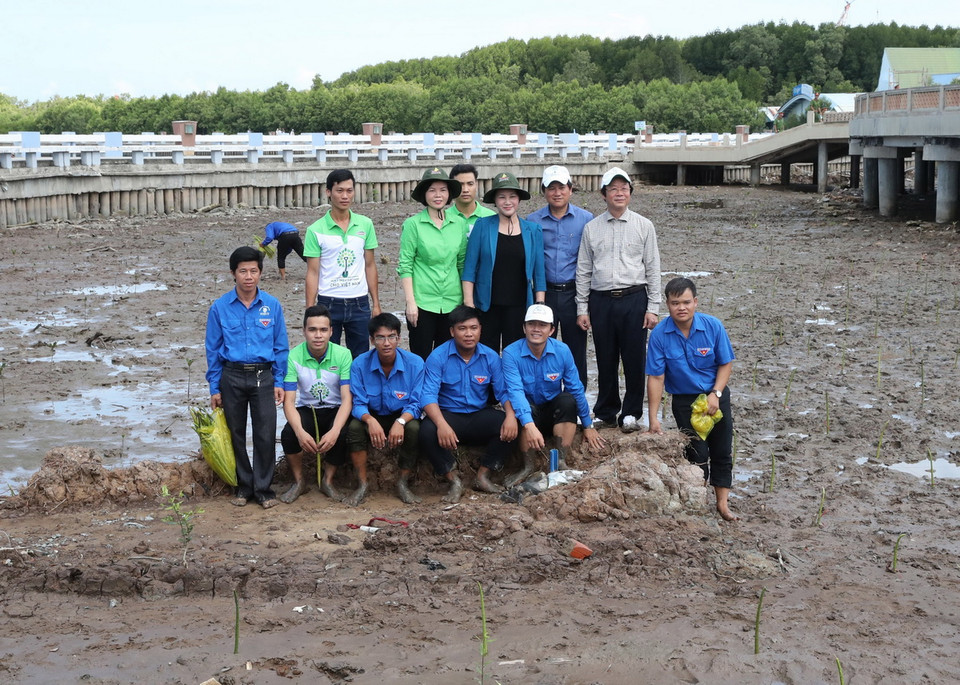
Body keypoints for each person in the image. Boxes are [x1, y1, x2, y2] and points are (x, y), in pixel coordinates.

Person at [576, 166, 661, 431]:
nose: (619, 193)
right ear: (604, 194)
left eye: (624, 189)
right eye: (613, 189)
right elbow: (584, 269)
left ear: (630, 194)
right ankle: (606, 410)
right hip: (600, 300)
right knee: (605, 357)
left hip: (635, 298)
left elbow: (653, 267)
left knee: (635, 358)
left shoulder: (644, 226)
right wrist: (582, 307)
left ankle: (631, 413)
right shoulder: (591, 228)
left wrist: (653, 307)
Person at [646, 278, 737, 521]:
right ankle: (699, 500)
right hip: (685, 401)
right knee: (696, 453)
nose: (681, 308)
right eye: (675, 303)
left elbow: (725, 363)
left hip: (715, 396)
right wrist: (653, 418)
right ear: (667, 305)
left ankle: (722, 503)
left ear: (695, 302)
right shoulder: (659, 335)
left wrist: (716, 394)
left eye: (686, 302)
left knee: (721, 451)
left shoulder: (713, 326)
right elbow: (656, 378)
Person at [205, 246, 289, 509]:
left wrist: (279, 381)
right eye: (243, 271)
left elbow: (281, 346)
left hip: (263, 376)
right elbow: (212, 349)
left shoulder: (272, 306)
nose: (249, 276)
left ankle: (263, 489)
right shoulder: (219, 308)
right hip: (231, 376)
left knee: (265, 433)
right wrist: (214, 387)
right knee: (236, 433)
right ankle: (243, 487)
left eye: (254, 270)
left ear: (261, 273)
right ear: (233, 274)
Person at [419, 305, 518, 502]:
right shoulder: (438, 357)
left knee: (512, 426)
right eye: (462, 328)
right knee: (426, 431)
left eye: (473, 328)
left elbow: (504, 392)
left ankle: (483, 475)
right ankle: (453, 479)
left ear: (480, 329)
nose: (468, 334)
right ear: (452, 331)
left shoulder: (490, 357)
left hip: (478, 414)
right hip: (449, 415)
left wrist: (510, 415)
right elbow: (427, 397)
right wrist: (442, 425)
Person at [501, 304, 605, 486]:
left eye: (542, 325)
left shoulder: (562, 351)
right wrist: (529, 425)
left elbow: (575, 388)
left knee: (567, 400)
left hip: (553, 413)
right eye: (531, 324)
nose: (536, 329)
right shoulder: (511, 353)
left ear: (551, 330)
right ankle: (528, 466)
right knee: (524, 405)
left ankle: (561, 460)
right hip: (527, 413)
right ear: (524, 328)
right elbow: (515, 392)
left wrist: (588, 424)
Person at [278, 305, 359, 505]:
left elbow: (347, 399)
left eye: (323, 330)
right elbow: (288, 401)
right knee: (288, 434)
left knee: (342, 434)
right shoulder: (293, 356)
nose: (318, 335)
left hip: (336, 409)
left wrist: (335, 430)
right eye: (312, 330)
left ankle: (328, 481)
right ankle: (299, 481)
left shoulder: (343, 355)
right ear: (304, 331)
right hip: (308, 409)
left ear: (331, 331)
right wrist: (299, 431)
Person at [462, 171, 546, 352]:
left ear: (519, 200)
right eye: (502, 197)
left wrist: (539, 305)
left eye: (512, 197)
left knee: (515, 355)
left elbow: (539, 273)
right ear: (495, 201)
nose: (507, 202)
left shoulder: (533, 230)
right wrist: (469, 304)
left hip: (519, 307)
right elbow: (470, 268)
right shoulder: (482, 226)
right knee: (485, 355)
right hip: (487, 307)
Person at [526, 165, 594, 387]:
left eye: (561, 187)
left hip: (574, 293)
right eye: (551, 188)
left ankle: (577, 401)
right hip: (544, 294)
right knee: (542, 348)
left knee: (576, 351)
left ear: (570, 189)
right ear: (544, 191)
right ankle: (545, 397)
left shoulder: (586, 219)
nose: (557, 192)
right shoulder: (532, 221)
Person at [347, 313, 425, 504]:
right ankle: (362, 483)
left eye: (391, 336)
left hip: (402, 415)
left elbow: (416, 404)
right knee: (354, 428)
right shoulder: (359, 364)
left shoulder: (415, 364)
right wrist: (370, 420)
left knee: (414, 428)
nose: (387, 343)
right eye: (380, 338)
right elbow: (358, 403)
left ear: (399, 338)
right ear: (372, 340)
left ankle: (403, 482)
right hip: (371, 415)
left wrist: (400, 421)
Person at [304, 169, 382, 358]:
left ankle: (356, 389)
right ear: (328, 192)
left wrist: (376, 304)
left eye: (349, 190)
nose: (345, 196)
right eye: (339, 191)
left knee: (361, 357)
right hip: (328, 301)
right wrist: (309, 308)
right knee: (327, 356)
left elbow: (370, 265)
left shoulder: (365, 224)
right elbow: (312, 272)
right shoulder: (315, 230)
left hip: (360, 302)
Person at [398, 167, 469, 360]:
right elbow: (405, 265)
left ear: (449, 194)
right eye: (432, 190)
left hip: (452, 301)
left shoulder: (459, 223)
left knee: (448, 357)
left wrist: (466, 301)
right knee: (420, 357)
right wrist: (410, 302)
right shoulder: (413, 224)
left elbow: (462, 263)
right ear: (424, 194)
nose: (438, 195)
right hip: (422, 302)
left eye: (443, 190)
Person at [447, 163, 495, 235]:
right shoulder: (444, 218)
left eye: (470, 184)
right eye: (460, 185)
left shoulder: (491, 217)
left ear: (476, 184)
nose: (466, 190)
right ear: (452, 187)